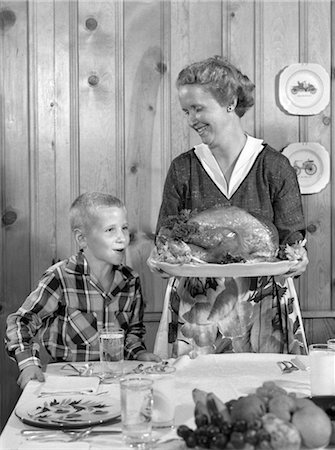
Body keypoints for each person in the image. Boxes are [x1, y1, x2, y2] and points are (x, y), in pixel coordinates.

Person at [152, 56, 309, 358]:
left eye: (198, 108)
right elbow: (166, 237)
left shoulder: (274, 167)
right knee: (191, 396)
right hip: (196, 310)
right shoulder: (184, 168)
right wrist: (159, 257)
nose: (191, 119)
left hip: (264, 304)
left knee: (264, 397)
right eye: (186, 111)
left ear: (230, 102)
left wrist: (299, 257)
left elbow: (293, 241)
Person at [6, 191, 160, 389]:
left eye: (124, 228)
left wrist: (139, 353)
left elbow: (133, 333)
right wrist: (28, 364)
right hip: (68, 384)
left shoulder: (131, 280)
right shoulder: (60, 278)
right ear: (82, 239)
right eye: (110, 230)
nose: (122, 237)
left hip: (116, 381)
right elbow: (20, 322)